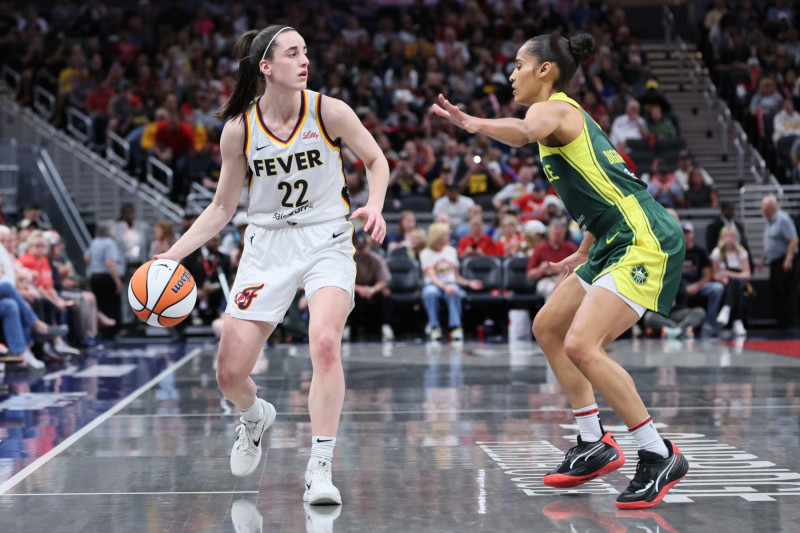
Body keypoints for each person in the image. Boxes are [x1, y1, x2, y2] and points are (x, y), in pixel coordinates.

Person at [433, 32, 689, 508]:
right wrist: (582, 249)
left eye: (518, 65)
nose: (511, 75)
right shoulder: (567, 120)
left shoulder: (549, 111)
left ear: (544, 70)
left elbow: (524, 132)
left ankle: (657, 453)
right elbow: (604, 185)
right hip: (611, 238)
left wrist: (473, 123)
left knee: (581, 344)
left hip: (643, 238)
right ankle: (593, 440)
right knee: (548, 327)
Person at [156, 26, 388, 507]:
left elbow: (375, 160)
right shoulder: (240, 129)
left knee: (325, 343)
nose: (305, 60)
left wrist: (376, 204)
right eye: (293, 53)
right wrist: (173, 253)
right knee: (228, 374)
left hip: (327, 236)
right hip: (266, 247)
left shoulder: (328, 110)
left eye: (306, 50)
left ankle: (319, 468)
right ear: (266, 67)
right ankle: (255, 415)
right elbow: (221, 208)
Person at [419, 223, 482, 342]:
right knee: (430, 293)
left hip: (450, 283)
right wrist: (444, 287)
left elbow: (456, 277)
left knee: (454, 291)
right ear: (438, 236)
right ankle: (434, 327)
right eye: (445, 234)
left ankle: (455, 327)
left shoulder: (451, 251)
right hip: (433, 284)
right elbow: (432, 276)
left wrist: (469, 283)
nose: (448, 236)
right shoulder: (425, 253)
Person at [758, 195, 798, 328]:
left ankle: (791, 323)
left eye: (764, 208)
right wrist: (763, 259)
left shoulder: (783, 219)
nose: (763, 211)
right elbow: (770, 242)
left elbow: (793, 239)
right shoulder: (769, 221)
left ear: (771, 207)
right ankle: (781, 322)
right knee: (776, 292)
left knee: (787, 292)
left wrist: (788, 259)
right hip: (774, 262)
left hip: (784, 262)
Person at [679, 221, 725, 337]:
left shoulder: (700, 251)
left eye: (688, 232)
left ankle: (710, 324)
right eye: (683, 232)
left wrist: (697, 285)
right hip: (679, 287)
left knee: (717, 288)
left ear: (692, 234)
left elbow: (708, 275)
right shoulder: (673, 252)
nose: (685, 235)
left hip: (697, 284)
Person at [347, 231, 393, 341]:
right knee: (343, 295)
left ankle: (385, 326)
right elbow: (344, 281)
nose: (361, 251)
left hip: (371, 288)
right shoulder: (348, 260)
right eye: (359, 248)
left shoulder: (376, 259)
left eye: (364, 248)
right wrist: (359, 289)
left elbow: (384, 280)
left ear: (369, 246)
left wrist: (372, 290)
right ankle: (347, 327)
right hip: (354, 289)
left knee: (386, 293)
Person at [710, 226, 751, 337]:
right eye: (726, 236)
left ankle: (727, 309)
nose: (729, 239)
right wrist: (722, 278)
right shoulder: (717, 252)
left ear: (736, 238)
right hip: (724, 282)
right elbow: (714, 275)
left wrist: (730, 274)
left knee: (736, 282)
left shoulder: (741, 252)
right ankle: (737, 321)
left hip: (740, 281)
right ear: (721, 238)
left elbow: (747, 274)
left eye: (732, 236)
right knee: (733, 285)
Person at [525, 218, 578, 301]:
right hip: (546, 280)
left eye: (559, 234)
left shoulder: (571, 248)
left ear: (564, 234)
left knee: (569, 290)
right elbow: (529, 275)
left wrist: (565, 270)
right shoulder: (540, 249)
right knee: (553, 290)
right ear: (549, 233)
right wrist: (540, 269)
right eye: (554, 233)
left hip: (566, 279)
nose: (556, 237)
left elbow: (580, 268)